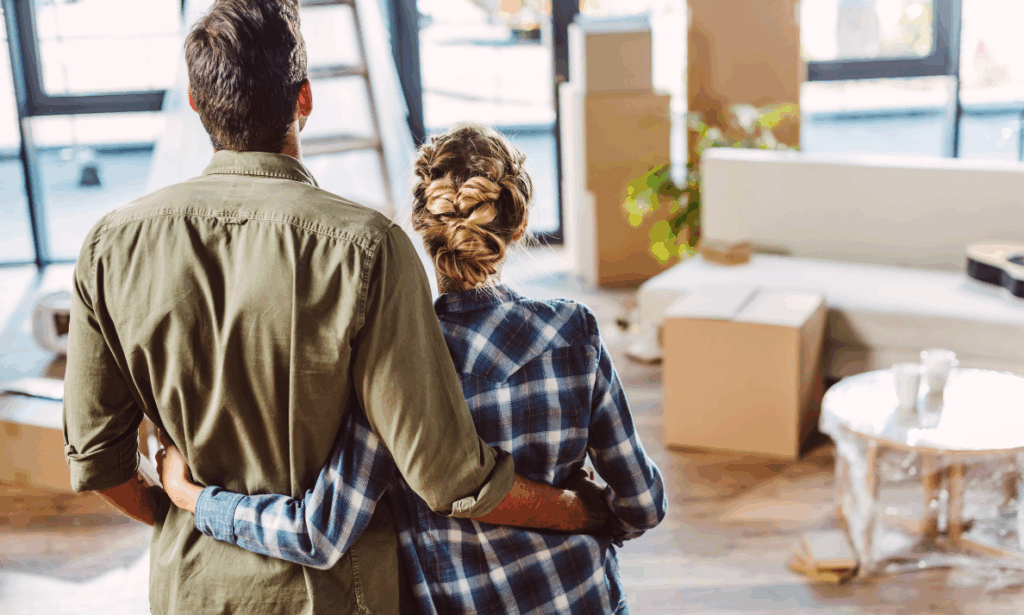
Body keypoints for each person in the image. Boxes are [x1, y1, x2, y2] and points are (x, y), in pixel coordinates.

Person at [60, 3, 607, 614]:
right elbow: (446, 475)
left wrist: (193, 513)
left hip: (191, 590)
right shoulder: (367, 247)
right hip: (334, 597)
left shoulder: (111, 245)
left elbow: (97, 460)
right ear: (305, 99)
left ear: (195, 102)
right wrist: (573, 510)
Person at [158, 123, 668, 614]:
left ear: (421, 226)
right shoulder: (573, 332)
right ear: (519, 227)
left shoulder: (394, 361)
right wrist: (589, 513)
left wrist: (197, 500)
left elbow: (320, 533)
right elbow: (642, 502)